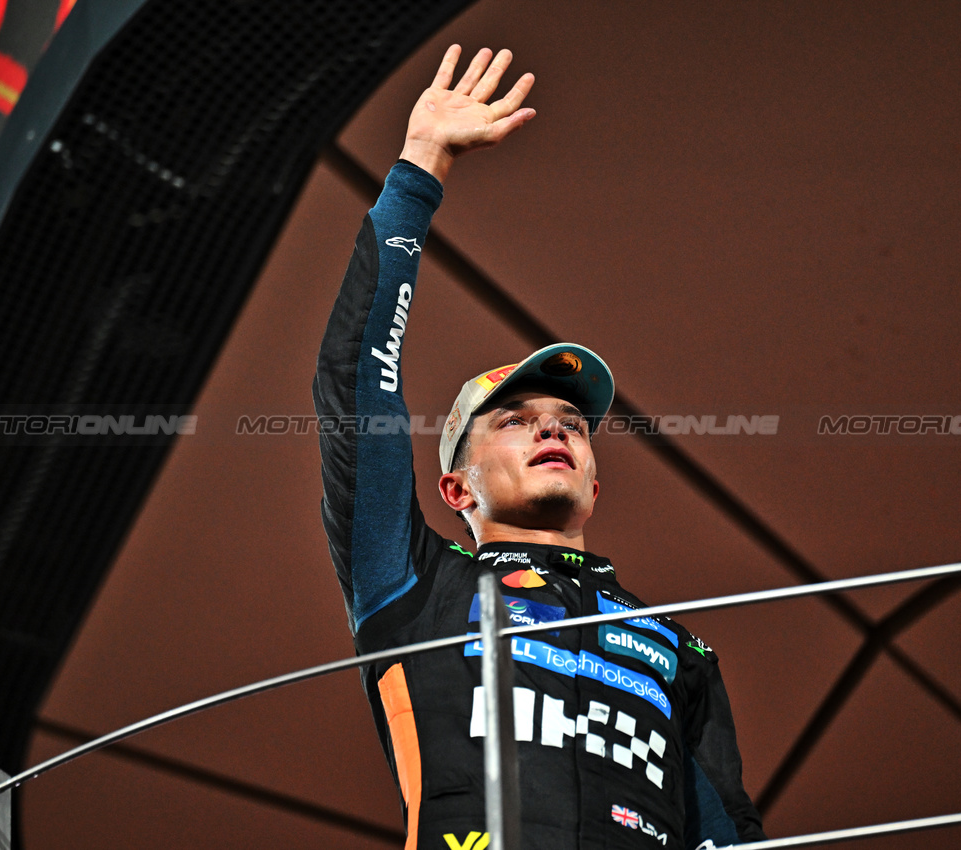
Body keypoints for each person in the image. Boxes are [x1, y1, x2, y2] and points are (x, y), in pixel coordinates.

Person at [314, 44, 766, 849]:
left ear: (595, 485)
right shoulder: (409, 583)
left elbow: (729, 837)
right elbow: (357, 384)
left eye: (569, 420)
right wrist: (420, 167)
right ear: (455, 490)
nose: (553, 426)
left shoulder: (677, 649)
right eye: (513, 419)